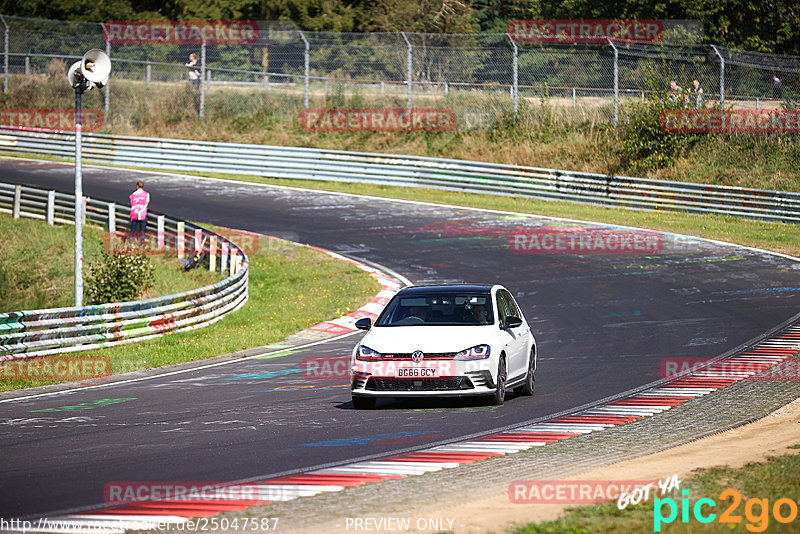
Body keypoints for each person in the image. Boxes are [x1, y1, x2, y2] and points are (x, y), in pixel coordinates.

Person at [129, 181, 150, 246]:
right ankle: (141, 242)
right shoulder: (146, 194)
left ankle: (131, 240)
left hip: (134, 213)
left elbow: (131, 203)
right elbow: (147, 202)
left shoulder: (133, 194)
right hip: (142, 214)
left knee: (133, 228)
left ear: (137, 186)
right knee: (142, 229)